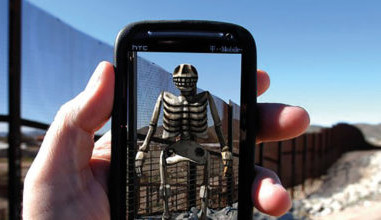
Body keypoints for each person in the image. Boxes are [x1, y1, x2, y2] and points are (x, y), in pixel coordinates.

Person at [22, 61, 310, 219]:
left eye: (188, 78)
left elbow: (219, 127)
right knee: (162, 159)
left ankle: (203, 208)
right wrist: (142, 149)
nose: (184, 82)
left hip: (198, 146)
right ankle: (170, 208)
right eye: (180, 79)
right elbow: (151, 125)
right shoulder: (164, 98)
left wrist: (224, 149)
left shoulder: (206, 99)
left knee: (206, 165)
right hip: (172, 145)